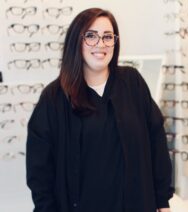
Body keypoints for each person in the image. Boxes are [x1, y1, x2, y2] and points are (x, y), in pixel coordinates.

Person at [26, 7, 174, 212]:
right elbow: (39, 170)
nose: (100, 44)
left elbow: (156, 140)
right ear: (76, 41)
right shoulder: (54, 98)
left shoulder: (132, 83)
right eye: (91, 36)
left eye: (107, 37)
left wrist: (162, 200)